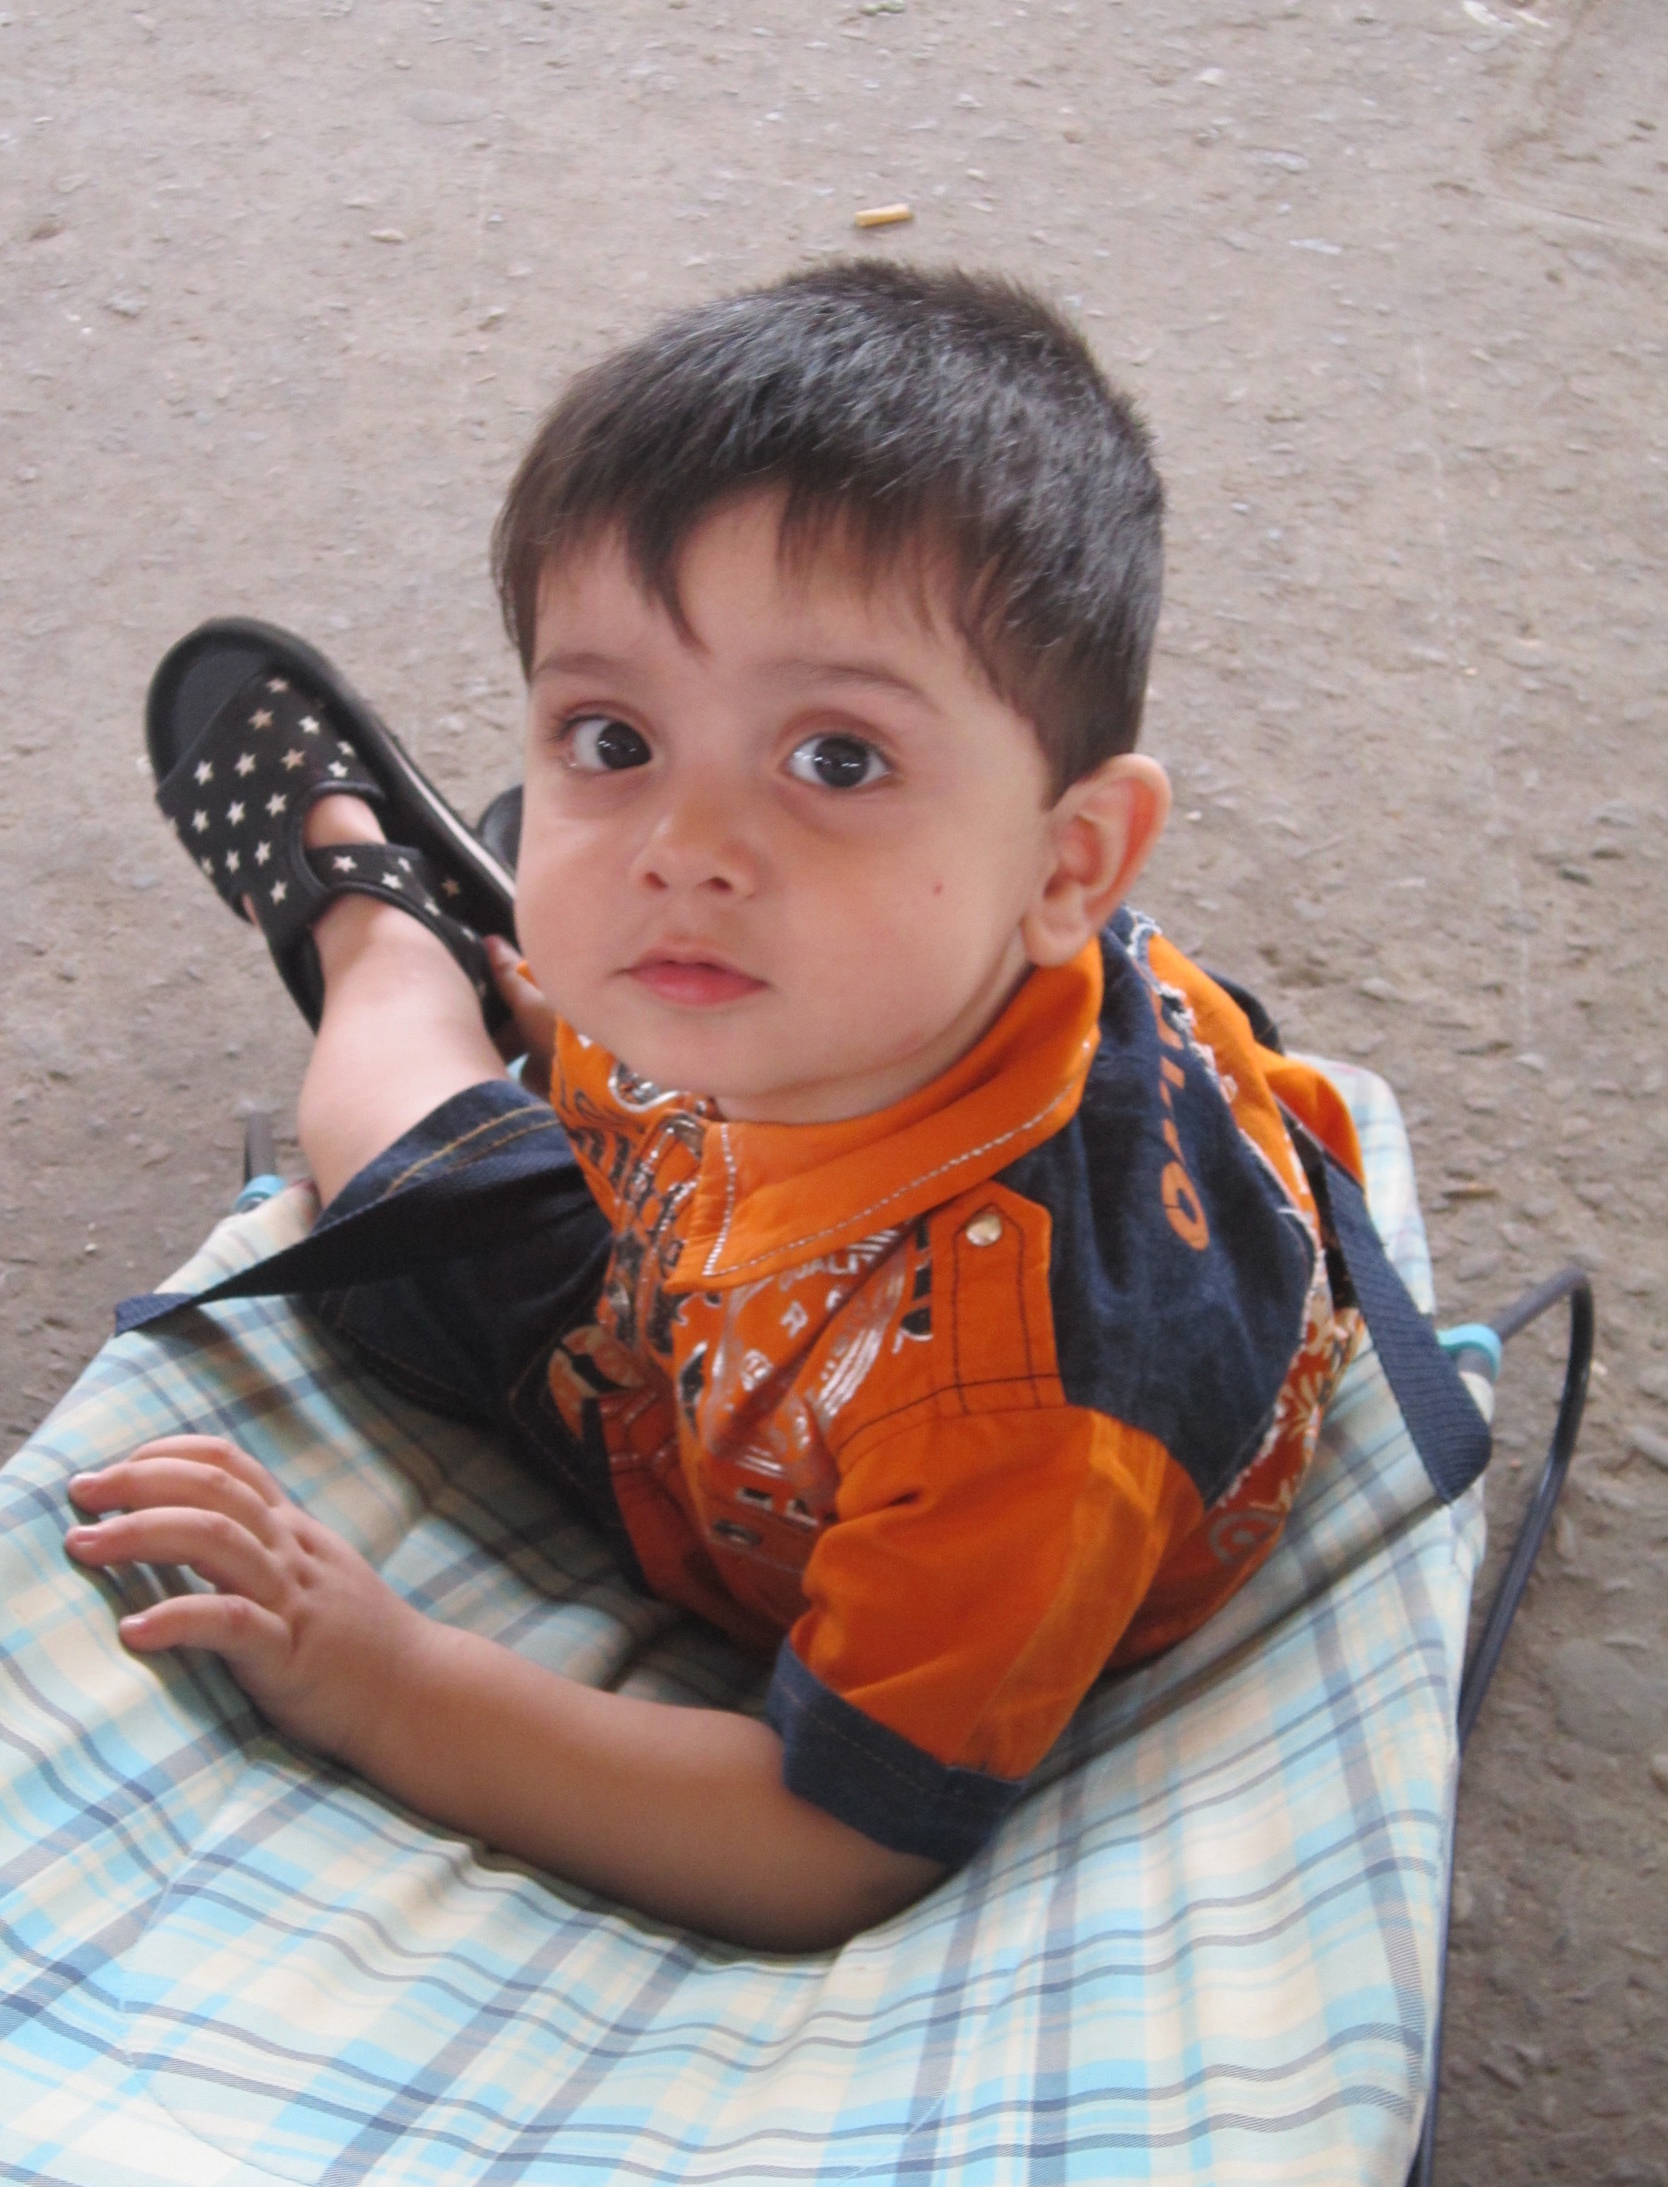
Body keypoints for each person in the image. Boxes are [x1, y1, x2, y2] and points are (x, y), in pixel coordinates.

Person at [67, 262, 1368, 1952]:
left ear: (1075, 864)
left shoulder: (1024, 1414)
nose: (688, 845)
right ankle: (521, 945)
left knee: (404, 1180)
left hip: (731, 1426)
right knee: (628, 955)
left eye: (836, 760)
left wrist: (377, 1674)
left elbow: (822, 1844)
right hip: (756, 1182)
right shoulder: (872, 979)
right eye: (608, 735)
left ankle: (378, 935)